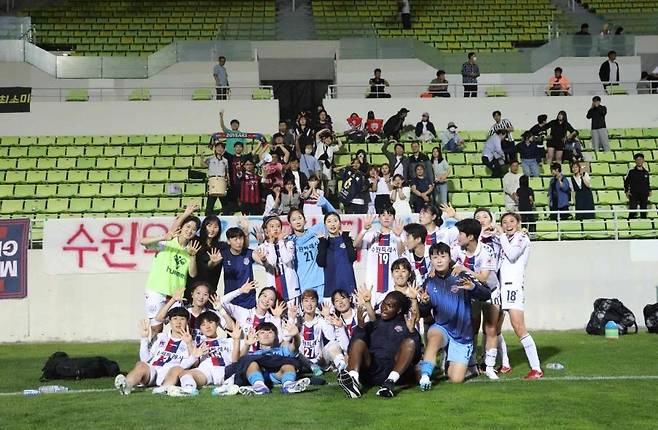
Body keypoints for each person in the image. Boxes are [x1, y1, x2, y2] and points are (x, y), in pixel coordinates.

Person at [417, 242, 491, 388]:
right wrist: (424, 303)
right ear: (430, 260)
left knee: (455, 378)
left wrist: (473, 287)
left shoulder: (462, 275)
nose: (439, 260)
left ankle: (461, 363)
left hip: (462, 332)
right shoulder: (429, 282)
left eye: (443, 256)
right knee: (433, 339)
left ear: (450, 258)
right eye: (435, 257)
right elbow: (423, 313)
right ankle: (425, 376)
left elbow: (486, 294)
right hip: (442, 327)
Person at [337, 291, 419, 398]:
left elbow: (416, 357)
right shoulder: (373, 324)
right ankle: (353, 381)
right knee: (358, 343)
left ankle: (389, 383)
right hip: (373, 369)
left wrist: (412, 332)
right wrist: (361, 328)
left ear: (399, 310)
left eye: (389, 306)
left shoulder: (407, 326)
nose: (384, 308)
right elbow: (351, 349)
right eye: (384, 303)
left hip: (396, 370)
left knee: (410, 342)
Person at [495, 212, 543, 380]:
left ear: (518, 223)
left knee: (519, 328)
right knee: (495, 328)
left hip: (513, 287)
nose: (508, 225)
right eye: (504, 222)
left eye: (511, 221)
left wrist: (500, 235)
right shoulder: (503, 238)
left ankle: (536, 368)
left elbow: (513, 255)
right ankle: (506, 364)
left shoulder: (522, 238)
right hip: (500, 288)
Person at [451, 219, 500, 379]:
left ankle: (490, 367)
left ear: (471, 236)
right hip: (470, 294)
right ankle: (471, 364)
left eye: (461, 234)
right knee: (471, 329)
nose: (458, 237)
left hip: (490, 291)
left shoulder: (486, 251)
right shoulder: (457, 249)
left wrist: (464, 268)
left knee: (490, 328)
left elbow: (484, 277)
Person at [141, 206, 200, 333]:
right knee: (157, 327)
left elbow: (193, 274)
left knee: (180, 327)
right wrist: (163, 237)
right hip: (156, 290)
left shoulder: (191, 249)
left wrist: (193, 256)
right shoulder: (168, 242)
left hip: (176, 294)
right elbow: (143, 241)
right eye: (188, 227)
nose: (190, 231)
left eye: (194, 229)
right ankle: (154, 352)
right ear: (182, 227)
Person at [114, 309, 195, 395]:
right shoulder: (160, 337)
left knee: (177, 369)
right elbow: (145, 359)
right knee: (141, 365)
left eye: (182, 319)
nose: (178, 322)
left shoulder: (190, 341)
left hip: (170, 374)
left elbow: (192, 363)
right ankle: (126, 385)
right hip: (152, 372)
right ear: (170, 321)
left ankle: (164, 389)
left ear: (187, 322)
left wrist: (189, 343)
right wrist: (144, 338)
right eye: (175, 318)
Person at [164, 311, 242, 396]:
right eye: (203, 325)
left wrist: (237, 340)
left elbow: (235, 360)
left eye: (210, 322)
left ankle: (227, 387)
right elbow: (194, 363)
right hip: (206, 371)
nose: (207, 327)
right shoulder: (197, 342)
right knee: (185, 373)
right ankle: (188, 390)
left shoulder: (228, 341)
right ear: (200, 328)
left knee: (237, 373)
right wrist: (189, 343)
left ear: (217, 324)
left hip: (224, 369)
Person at [230, 321, 310, 395]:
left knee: (288, 364)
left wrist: (296, 335)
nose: (266, 334)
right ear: (257, 337)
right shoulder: (253, 354)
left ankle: (289, 385)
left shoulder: (282, 350)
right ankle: (259, 386)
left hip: (278, 374)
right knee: (251, 363)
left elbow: (295, 346)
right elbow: (237, 362)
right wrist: (247, 345)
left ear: (275, 336)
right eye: (262, 332)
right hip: (261, 374)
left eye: (270, 332)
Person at [287, 202, 335, 299]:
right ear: (290, 223)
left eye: (300, 218)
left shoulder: (317, 229)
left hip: (322, 281)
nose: (298, 221)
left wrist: (324, 203)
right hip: (304, 283)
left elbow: (334, 218)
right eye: (294, 219)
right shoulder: (289, 241)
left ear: (305, 220)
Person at [292, 289, 348, 373]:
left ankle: (341, 366)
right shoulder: (297, 320)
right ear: (301, 304)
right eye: (306, 301)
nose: (309, 304)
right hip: (302, 361)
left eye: (313, 301)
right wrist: (291, 319)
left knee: (333, 344)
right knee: (292, 350)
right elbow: (286, 338)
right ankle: (311, 366)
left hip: (320, 360)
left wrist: (327, 316)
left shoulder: (320, 320)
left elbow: (331, 337)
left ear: (316, 304)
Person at [354, 208, 404, 297]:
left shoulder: (398, 235)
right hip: (373, 283)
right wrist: (364, 229)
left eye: (390, 215)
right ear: (379, 217)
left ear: (394, 218)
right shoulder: (372, 235)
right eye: (383, 215)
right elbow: (355, 244)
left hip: (391, 283)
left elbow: (401, 254)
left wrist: (398, 237)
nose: (386, 218)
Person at [258, 216, 301, 304]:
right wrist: (271, 244)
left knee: (294, 316)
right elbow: (272, 262)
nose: (275, 229)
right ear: (266, 230)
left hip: (291, 289)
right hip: (273, 290)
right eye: (272, 226)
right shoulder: (262, 247)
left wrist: (281, 242)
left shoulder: (289, 243)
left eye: (278, 226)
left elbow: (286, 259)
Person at [219, 227, 266, 309]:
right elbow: (211, 266)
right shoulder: (224, 254)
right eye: (235, 239)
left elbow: (265, 264)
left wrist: (264, 260)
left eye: (241, 239)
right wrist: (212, 262)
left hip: (248, 300)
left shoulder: (249, 253)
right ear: (229, 241)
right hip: (231, 298)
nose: (239, 242)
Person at [317, 212, 358, 301]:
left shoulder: (346, 239)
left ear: (340, 223)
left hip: (348, 284)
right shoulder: (324, 242)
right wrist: (323, 242)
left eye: (335, 221)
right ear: (325, 225)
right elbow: (321, 262)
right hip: (331, 286)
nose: (332, 224)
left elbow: (353, 257)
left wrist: (346, 238)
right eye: (329, 221)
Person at [200, 142, 230, 217]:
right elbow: (203, 165)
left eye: (221, 148)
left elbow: (227, 172)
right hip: (213, 180)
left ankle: (226, 216)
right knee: (210, 202)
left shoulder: (225, 161)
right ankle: (208, 217)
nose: (220, 149)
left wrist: (228, 182)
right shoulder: (210, 158)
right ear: (215, 148)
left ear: (223, 150)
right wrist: (201, 158)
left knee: (225, 202)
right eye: (218, 147)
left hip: (221, 181)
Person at [314, 129, 342, 194]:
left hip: (327, 167)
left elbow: (340, 145)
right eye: (327, 138)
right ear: (324, 139)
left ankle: (326, 198)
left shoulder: (332, 148)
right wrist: (326, 130)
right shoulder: (319, 144)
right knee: (318, 182)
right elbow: (317, 134)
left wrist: (336, 138)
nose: (328, 140)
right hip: (319, 166)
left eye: (330, 139)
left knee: (326, 184)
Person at [624, 153, 651, 219]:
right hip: (634, 194)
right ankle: (630, 225)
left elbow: (647, 183)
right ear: (635, 161)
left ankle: (644, 225)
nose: (639, 161)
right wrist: (626, 191)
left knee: (643, 211)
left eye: (641, 159)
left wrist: (649, 190)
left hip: (644, 194)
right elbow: (626, 182)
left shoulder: (646, 172)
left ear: (643, 160)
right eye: (637, 159)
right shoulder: (631, 171)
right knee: (632, 211)